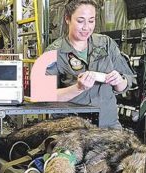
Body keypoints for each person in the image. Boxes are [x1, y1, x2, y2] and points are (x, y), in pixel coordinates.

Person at [45, 0, 135, 129]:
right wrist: (78, 88)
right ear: (67, 19)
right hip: (72, 131)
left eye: (91, 21)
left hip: (108, 126)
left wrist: (119, 81)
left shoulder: (107, 44)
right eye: (80, 21)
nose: (86, 27)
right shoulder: (53, 52)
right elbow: (44, 95)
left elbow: (126, 84)